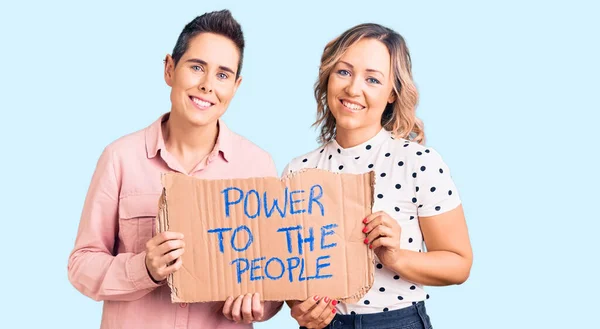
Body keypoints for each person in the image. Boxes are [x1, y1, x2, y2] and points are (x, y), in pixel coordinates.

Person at [67, 9, 283, 329]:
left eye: (223, 75)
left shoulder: (257, 165)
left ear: (236, 87)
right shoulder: (120, 158)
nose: (208, 85)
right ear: (170, 69)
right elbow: (81, 265)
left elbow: (274, 280)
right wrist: (145, 269)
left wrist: (259, 303)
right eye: (197, 67)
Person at [282, 23, 473, 329]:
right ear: (328, 78)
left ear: (392, 94)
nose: (353, 89)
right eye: (344, 72)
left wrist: (396, 257)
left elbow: (459, 264)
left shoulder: (418, 162)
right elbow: (289, 268)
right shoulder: (298, 171)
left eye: (372, 79)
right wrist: (299, 307)